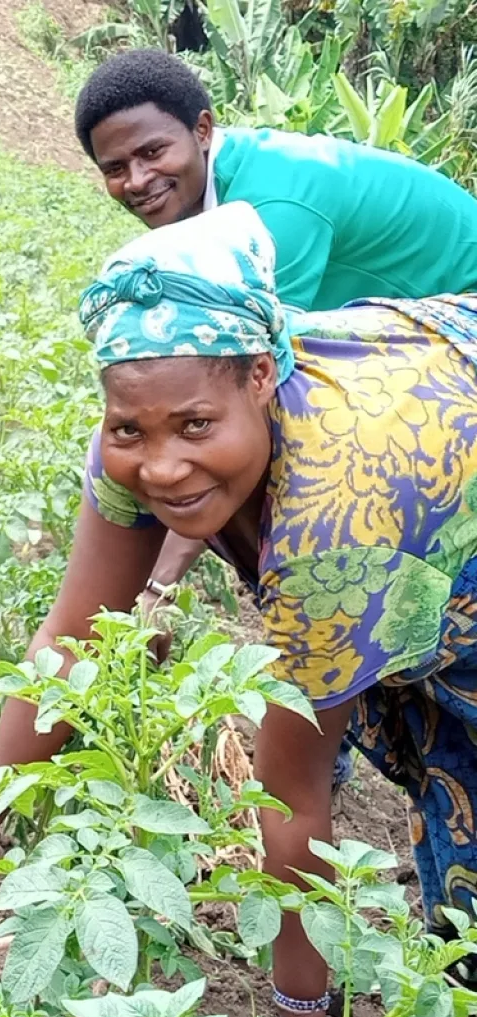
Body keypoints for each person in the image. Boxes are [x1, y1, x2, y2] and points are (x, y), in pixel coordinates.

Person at [0, 203, 477, 1017]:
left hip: (424, 487)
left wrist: (296, 1007)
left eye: (196, 425)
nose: (161, 465)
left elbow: (289, 795)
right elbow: (70, 639)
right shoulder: (133, 440)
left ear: (262, 376)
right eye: (131, 427)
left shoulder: (333, 525)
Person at [73, 48, 477, 611]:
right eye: (115, 169)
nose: (138, 181)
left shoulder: (276, 204)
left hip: (459, 317)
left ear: (203, 130)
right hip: (382, 314)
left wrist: (158, 584)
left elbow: (241, 390)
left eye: (152, 152)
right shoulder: (209, 201)